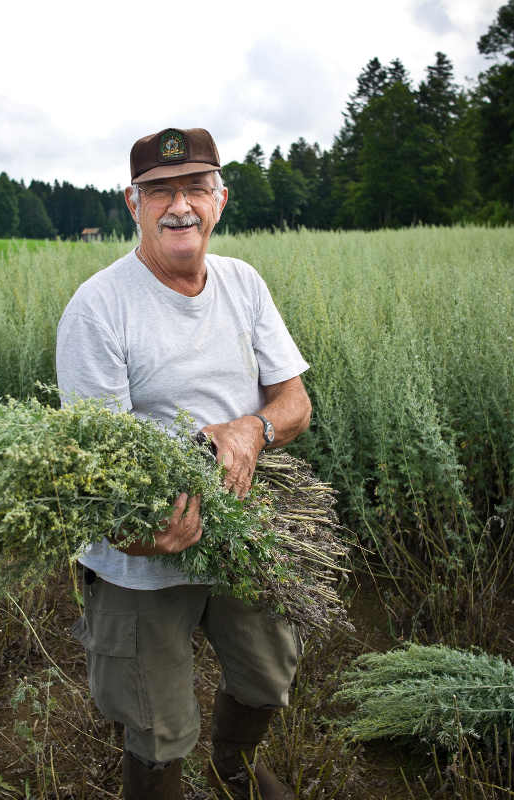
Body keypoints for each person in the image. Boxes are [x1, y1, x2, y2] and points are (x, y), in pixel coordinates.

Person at [55, 127, 312, 800]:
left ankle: (231, 770)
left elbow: (294, 401)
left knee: (267, 677)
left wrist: (253, 430)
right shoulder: (98, 309)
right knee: (154, 725)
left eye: (195, 188)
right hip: (144, 555)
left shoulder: (244, 285)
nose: (180, 206)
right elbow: (100, 467)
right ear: (131, 203)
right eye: (160, 191)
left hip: (243, 529)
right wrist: (130, 533)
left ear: (220, 200)